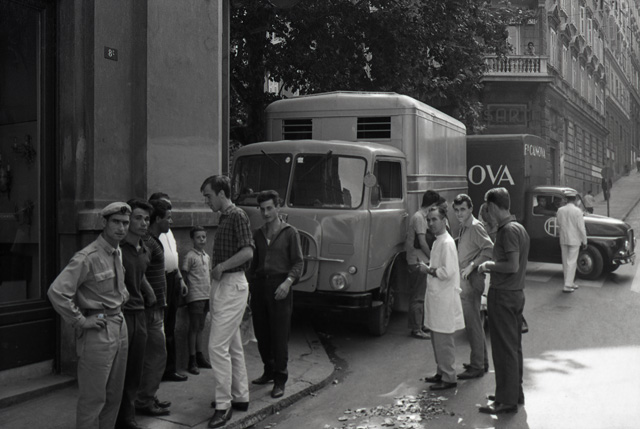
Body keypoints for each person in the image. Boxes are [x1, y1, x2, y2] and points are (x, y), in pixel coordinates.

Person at [47, 202, 131, 429]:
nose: (121, 228)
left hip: (119, 324)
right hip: (98, 330)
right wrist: (81, 321)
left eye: (125, 223)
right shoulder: (87, 256)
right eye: (116, 222)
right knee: (93, 398)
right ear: (104, 223)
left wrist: (122, 296)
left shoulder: (117, 251)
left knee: (114, 394)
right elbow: (57, 292)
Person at [201, 175, 254, 429]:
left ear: (222, 193)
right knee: (232, 344)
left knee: (216, 347)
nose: (206, 201)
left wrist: (222, 266)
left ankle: (224, 406)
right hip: (225, 285)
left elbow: (248, 251)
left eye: (208, 196)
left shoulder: (237, 215)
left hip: (231, 285)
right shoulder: (225, 217)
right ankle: (240, 396)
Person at [478, 187, 530, 415]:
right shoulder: (518, 228)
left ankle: (506, 401)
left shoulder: (507, 231)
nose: (487, 213)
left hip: (503, 295)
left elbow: (512, 265)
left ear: (492, 206)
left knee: (503, 350)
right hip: (515, 294)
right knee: (513, 347)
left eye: (487, 208)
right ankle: (512, 393)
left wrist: (488, 265)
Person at [249, 190, 304, 399]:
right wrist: (249, 288)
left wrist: (288, 282)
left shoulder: (290, 233)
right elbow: (253, 264)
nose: (266, 213)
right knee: (262, 333)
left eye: (269, 208)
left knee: (279, 335)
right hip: (260, 286)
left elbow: (298, 262)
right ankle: (269, 370)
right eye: (262, 209)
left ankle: (280, 379)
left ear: (278, 207)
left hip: (280, 286)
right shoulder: (257, 234)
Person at [117, 199, 156, 429]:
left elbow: (139, 275)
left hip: (139, 315)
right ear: (128, 220)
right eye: (138, 218)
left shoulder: (145, 250)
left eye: (147, 219)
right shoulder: (117, 250)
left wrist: (148, 291)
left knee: (135, 369)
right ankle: (117, 417)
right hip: (121, 316)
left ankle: (128, 416)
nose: (144, 223)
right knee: (118, 370)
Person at [135, 198, 172, 417]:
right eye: (168, 217)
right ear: (158, 219)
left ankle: (147, 395)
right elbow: (138, 270)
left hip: (155, 307)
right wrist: (150, 294)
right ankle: (144, 400)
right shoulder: (147, 241)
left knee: (151, 357)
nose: (171, 221)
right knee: (157, 356)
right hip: (150, 309)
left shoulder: (153, 240)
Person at [422, 206, 465, 391]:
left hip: (444, 299)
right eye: (428, 220)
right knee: (436, 338)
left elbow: (448, 272)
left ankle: (449, 376)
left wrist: (428, 270)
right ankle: (441, 371)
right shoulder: (438, 241)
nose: (431, 223)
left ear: (444, 220)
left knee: (443, 340)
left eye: (434, 219)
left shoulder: (446, 243)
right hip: (437, 297)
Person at [150, 192, 190, 383]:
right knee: (160, 327)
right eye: (167, 211)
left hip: (173, 278)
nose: (171, 217)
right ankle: (157, 371)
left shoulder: (168, 231)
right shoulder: (151, 235)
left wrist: (180, 279)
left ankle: (169, 368)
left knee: (170, 325)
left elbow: (173, 256)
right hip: (160, 281)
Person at [453, 194, 493, 380]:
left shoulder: (475, 227)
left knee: (472, 324)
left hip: (472, 279)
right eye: (456, 210)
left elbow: (489, 249)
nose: (459, 213)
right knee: (474, 323)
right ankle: (481, 362)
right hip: (467, 279)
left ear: (470, 209)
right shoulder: (465, 226)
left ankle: (477, 366)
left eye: (463, 209)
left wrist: (471, 265)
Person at [405, 190, 446, 340]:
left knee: (422, 294)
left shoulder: (422, 216)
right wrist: (433, 258)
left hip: (420, 260)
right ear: (432, 204)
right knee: (418, 296)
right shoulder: (419, 217)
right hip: (418, 261)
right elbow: (422, 242)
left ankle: (420, 324)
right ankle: (416, 328)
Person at [181, 226, 213, 375]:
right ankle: (192, 359)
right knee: (194, 327)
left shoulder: (207, 256)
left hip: (206, 295)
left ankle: (200, 356)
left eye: (203, 237)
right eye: (198, 237)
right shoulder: (190, 256)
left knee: (200, 327)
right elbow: (184, 275)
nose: (201, 240)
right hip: (195, 296)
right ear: (192, 239)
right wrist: (184, 294)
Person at [556, 191, 588, 293]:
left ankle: (569, 282)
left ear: (566, 200)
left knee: (565, 262)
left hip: (563, 238)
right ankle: (567, 285)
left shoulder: (560, 210)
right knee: (572, 262)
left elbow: (558, 224)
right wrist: (584, 240)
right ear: (575, 200)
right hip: (574, 239)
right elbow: (581, 228)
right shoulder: (578, 211)